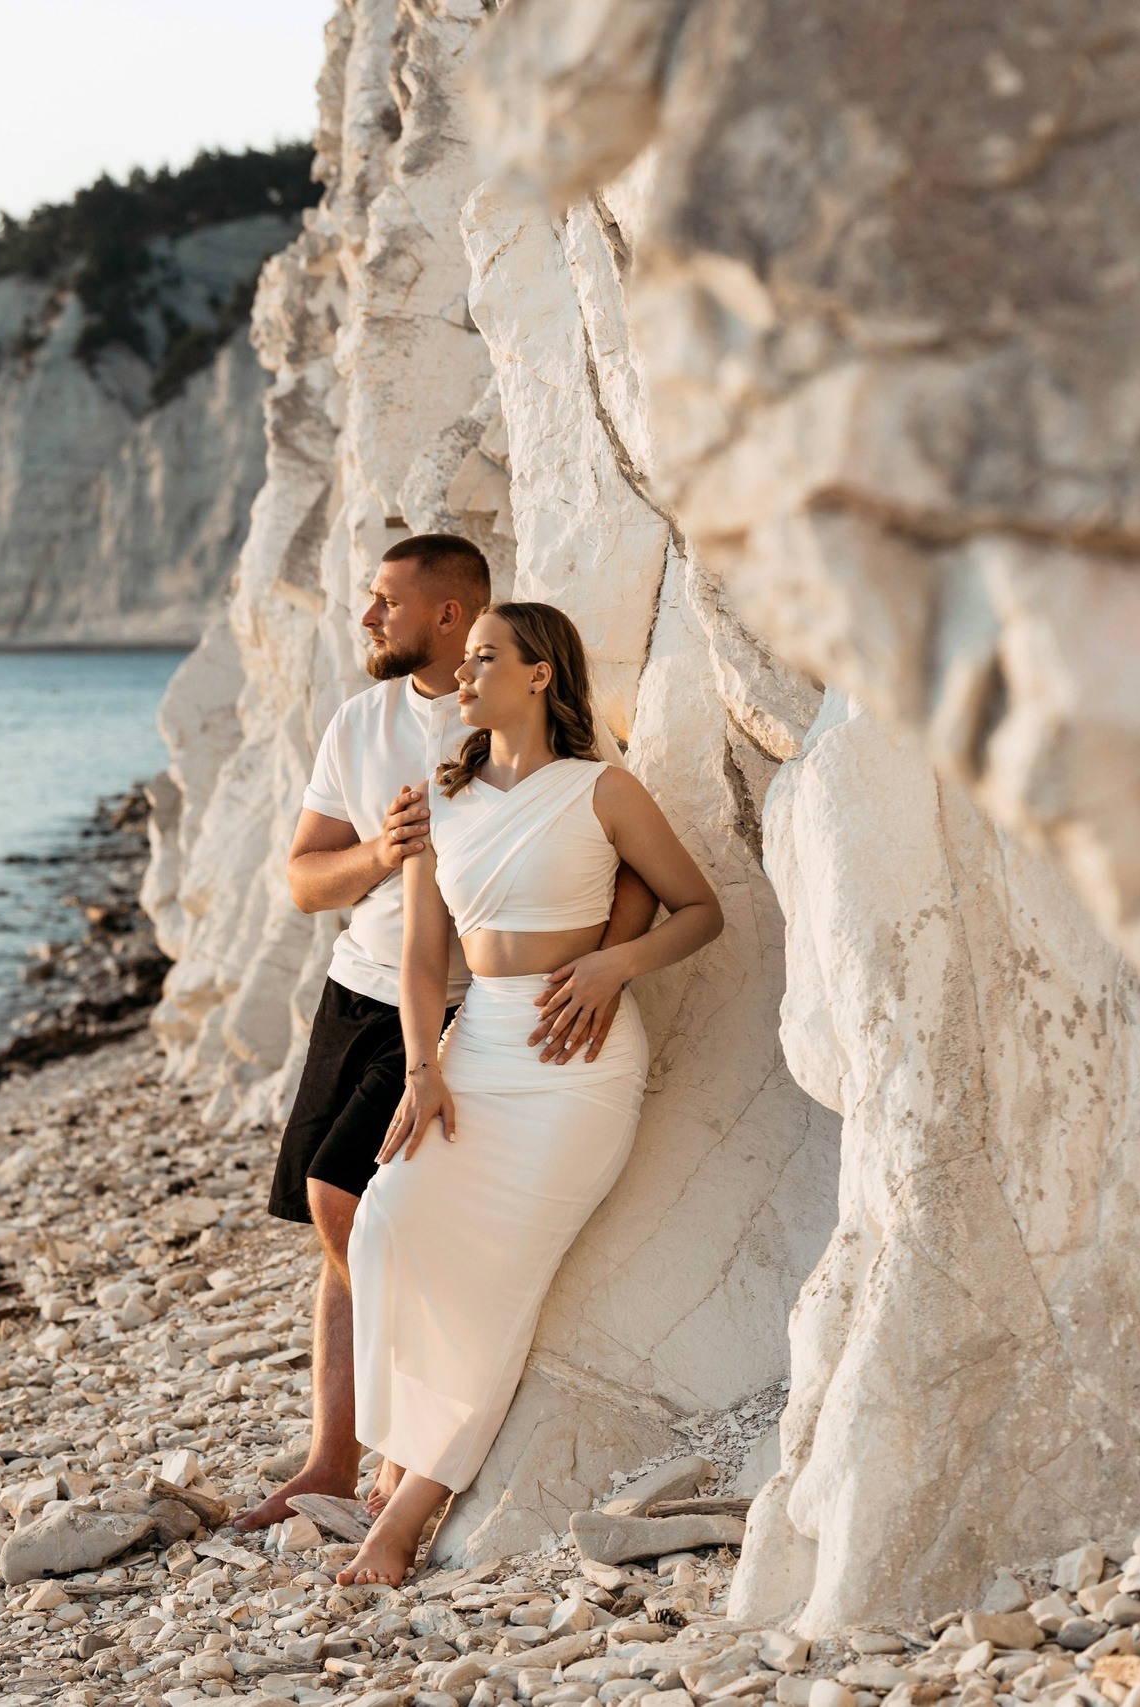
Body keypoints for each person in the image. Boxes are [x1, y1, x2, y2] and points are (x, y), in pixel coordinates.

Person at [233, 537, 652, 1532]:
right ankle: (335, 1455)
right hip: (358, 988)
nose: (367, 618)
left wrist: (597, 963)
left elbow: (622, 856)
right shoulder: (360, 722)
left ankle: (397, 1446)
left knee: (355, 1203)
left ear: (452, 616)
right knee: (333, 1223)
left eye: (386, 601)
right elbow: (301, 881)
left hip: (474, 1010)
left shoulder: (539, 742)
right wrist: (382, 851)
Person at [333, 600, 723, 1586]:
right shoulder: (440, 797)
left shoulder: (603, 792)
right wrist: (422, 1070)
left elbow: (698, 910)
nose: (460, 678)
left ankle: (402, 1522)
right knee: (385, 1226)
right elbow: (424, 957)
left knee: (497, 1288)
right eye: (462, 662)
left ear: (541, 673)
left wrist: (614, 966)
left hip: (574, 1069)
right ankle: (395, 1451)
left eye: (481, 659)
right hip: (478, 1047)